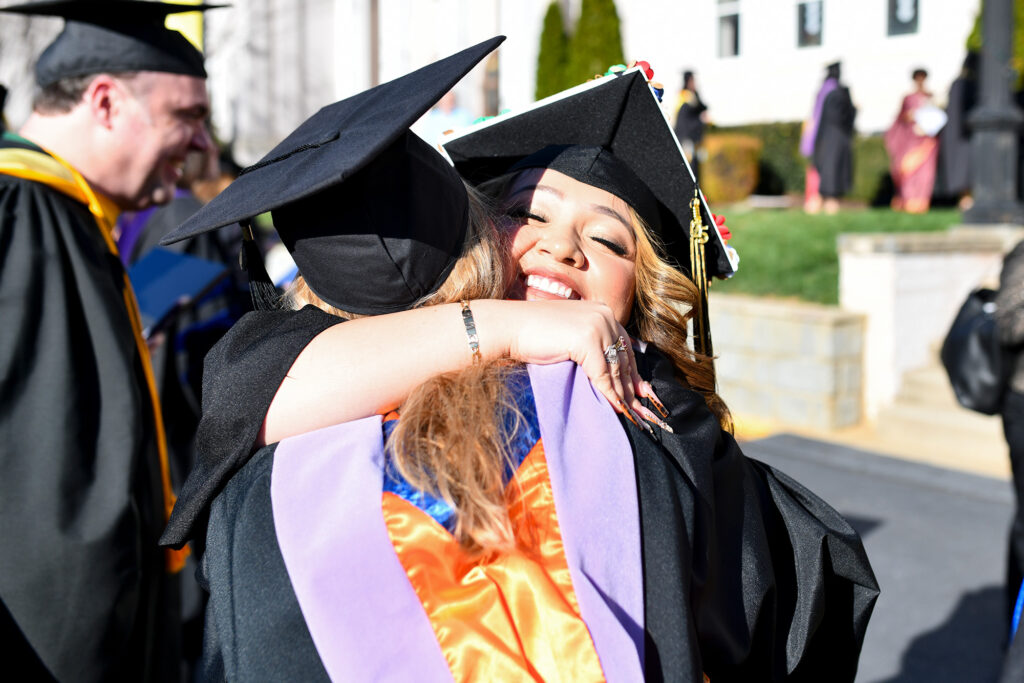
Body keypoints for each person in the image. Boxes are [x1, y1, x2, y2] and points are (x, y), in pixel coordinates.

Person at [161, 50, 877, 680]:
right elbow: (255, 394)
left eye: (610, 241)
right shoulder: (346, 354)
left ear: (644, 291)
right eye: (530, 214)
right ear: (474, 229)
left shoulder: (658, 418)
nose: (564, 248)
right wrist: (510, 324)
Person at [0, 2, 218, 680]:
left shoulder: (73, 219)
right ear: (104, 102)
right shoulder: (18, 213)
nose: (204, 146)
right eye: (186, 116)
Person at [801, 61, 856, 214]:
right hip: (837, 137)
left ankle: (820, 203)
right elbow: (845, 117)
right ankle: (828, 204)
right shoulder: (839, 93)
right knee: (832, 172)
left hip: (823, 138)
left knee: (823, 170)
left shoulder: (823, 92)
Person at [885, 68, 942, 213]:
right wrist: (913, 115)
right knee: (909, 170)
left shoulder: (931, 97)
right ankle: (908, 200)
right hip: (911, 140)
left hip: (927, 141)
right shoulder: (908, 98)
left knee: (925, 173)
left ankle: (921, 202)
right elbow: (901, 117)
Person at [938, 53, 979, 210]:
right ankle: (966, 199)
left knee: (961, 166)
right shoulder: (966, 84)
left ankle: (966, 198)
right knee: (964, 167)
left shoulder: (958, 84)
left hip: (955, 133)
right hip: (963, 134)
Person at [673, 70, 708, 179]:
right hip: (686, 140)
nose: (695, 84)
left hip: (692, 141)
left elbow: (702, 107)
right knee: (690, 171)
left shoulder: (692, 96)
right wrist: (700, 120)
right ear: (688, 81)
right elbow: (684, 123)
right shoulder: (685, 98)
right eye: (693, 81)